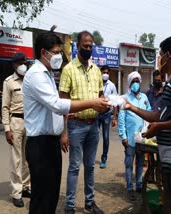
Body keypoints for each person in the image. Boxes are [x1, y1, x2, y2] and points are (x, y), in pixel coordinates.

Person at [23, 31, 109, 214]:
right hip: (41, 143)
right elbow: (57, 104)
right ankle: (70, 205)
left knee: (51, 195)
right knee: (42, 197)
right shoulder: (37, 75)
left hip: (52, 140)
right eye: (55, 52)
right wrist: (91, 103)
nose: (58, 56)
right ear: (43, 53)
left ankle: (89, 201)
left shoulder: (47, 74)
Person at [123, 36, 171, 213]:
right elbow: (159, 115)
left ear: (169, 56)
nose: (159, 58)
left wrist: (160, 127)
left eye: (160, 54)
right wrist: (131, 107)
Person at [59, 31, 105, 214]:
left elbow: (101, 95)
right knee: (74, 167)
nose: (88, 48)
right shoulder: (68, 69)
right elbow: (62, 103)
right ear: (77, 46)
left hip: (94, 125)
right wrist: (63, 133)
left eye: (90, 46)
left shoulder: (97, 70)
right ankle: (70, 206)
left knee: (90, 166)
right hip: (76, 125)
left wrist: (105, 103)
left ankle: (89, 202)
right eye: (85, 45)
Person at [2, 52, 31, 208]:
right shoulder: (9, 82)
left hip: (30, 122)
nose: (22, 65)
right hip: (16, 122)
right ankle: (16, 192)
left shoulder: (30, 80)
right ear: (14, 65)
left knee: (29, 158)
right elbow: (5, 107)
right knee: (16, 159)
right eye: (19, 62)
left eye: (24, 62)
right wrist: (7, 129)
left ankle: (26, 187)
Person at [117, 71, 151, 201]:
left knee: (140, 162)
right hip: (130, 138)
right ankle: (130, 188)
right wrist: (123, 136)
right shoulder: (124, 98)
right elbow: (121, 119)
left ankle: (139, 185)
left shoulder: (144, 98)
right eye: (133, 81)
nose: (136, 83)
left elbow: (149, 113)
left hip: (141, 138)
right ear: (130, 84)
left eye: (138, 81)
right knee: (129, 164)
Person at [98, 65, 118, 169]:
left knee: (106, 137)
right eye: (104, 72)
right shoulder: (96, 83)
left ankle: (104, 158)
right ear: (101, 72)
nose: (105, 74)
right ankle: (90, 157)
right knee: (93, 136)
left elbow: (115, 102)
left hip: (106, 114)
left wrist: (114, 117)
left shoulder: (112, 86)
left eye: (107, 73)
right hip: (96, 114)